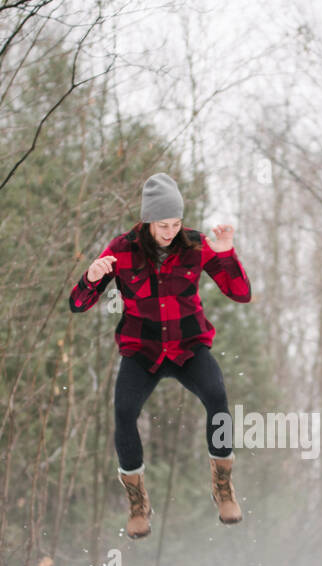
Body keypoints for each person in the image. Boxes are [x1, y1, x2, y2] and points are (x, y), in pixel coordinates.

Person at [69, 173, 251, 538]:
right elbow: (78, 304)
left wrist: (227, 252)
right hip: (142, 350)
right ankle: (137, 500)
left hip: (188, 347)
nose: (170, 231)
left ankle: (223, 485)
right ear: (148, 220)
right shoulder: (121, 249)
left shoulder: (197, 245)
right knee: (123, 413)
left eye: (176, 223)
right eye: (163, 225)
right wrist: (90, 277)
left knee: (217, 397)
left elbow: (241, 293)